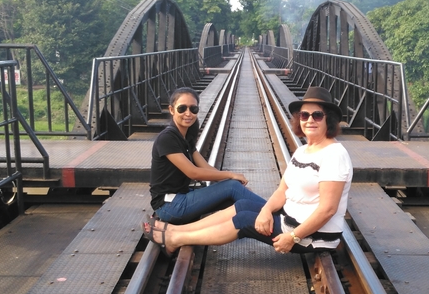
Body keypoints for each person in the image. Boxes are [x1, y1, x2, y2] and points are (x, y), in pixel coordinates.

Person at [144, 86, 352, 255]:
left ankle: (175, 237)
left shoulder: (334, 155)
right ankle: (176, 231)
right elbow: (281, 191)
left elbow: (327, 210)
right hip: (291, 221)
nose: (309, 120)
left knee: (244, 219)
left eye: (317, 115)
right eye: (304, 115)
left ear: (329, 120)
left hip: (308, 237)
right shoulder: (303, 151)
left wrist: (292, 237)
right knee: (243, 204)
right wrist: (265, 210)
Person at [149, 87, 263, 224]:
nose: (188, 113)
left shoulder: (185, 138)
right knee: (231, 187)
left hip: (180, 198)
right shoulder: (166, 138)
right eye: (182, 108)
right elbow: (194, 173)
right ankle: (275, 211)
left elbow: (206, 167)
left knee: (234, 192)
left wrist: (240, 188)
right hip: (169, 206)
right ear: (172, 110)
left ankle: (268, 217)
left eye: (193, 109)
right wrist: (230, 176)